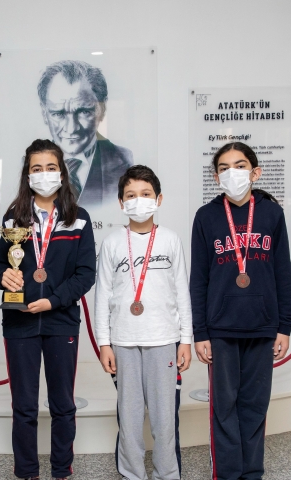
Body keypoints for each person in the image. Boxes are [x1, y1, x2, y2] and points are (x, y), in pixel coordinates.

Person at [190, 142, 291, 480]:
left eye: (239, 165)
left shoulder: (271, 214)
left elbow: (282, 272)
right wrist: (200, 332)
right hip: (221, 329)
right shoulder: (206, 217)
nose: (231, 173)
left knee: (255, 406)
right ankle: (227, 474)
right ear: (216, 176)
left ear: (255, 172)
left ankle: (252, 473)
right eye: (224, 168)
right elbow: (199, 280)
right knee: (224, 408)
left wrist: (285, 326)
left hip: (263, 326)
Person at [0, 139, 96, 480]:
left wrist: (54, 300)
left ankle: (61, 471)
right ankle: (26, 472)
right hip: (19, 322)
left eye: (50, 167)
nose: (44, 174)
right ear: (27, 174)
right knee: (24, 406)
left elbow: (85, 274)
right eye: (37, 168)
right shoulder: (14, 217)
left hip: (61, 321)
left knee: (62, 404)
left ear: (62, 172)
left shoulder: (78, 219)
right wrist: (4, 275)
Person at [94, 165, 192, 480]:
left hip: (163, 339)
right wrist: (104, 343)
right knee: (130, 418)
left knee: (164, 418)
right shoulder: (112, 242)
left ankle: (167, 473)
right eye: (131, 195)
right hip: (123, 341)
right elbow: (102, 296)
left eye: (146, 194)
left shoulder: (170, 239)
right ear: (121, 203)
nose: (139, 201)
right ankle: (132, 474)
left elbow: (182, 292)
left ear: (158, 199)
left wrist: (186, 339)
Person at [37, 60, 133, 205]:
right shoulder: (27, 165)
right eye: (58, 114)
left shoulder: (126, 162)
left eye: (83, 112)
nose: (71, 128)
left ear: (101, 109)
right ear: (44, 113)